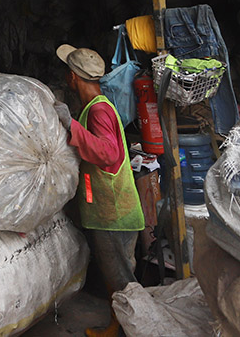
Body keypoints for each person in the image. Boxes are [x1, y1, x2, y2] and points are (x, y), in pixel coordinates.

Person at [53, 44, 145, 337]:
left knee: (121, 280)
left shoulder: (98, 112)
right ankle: (118, 326)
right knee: (117, 278)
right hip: (111, 210)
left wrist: (71, 126)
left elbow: (106, 153)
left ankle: (134, 330)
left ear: (72, 78)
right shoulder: (99, 105)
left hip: (112, 213)